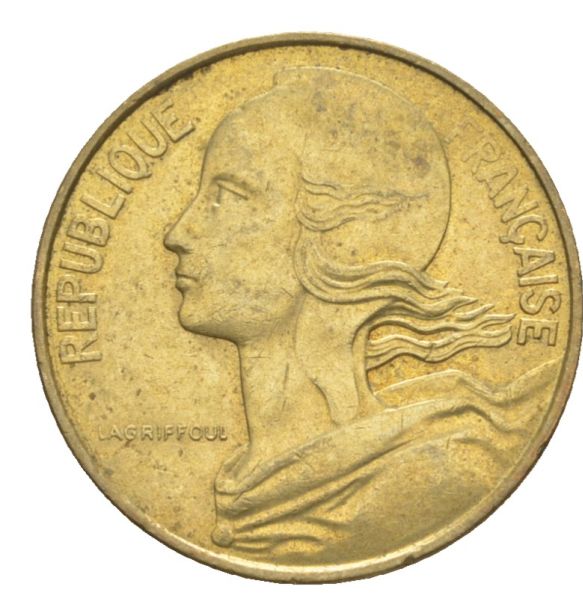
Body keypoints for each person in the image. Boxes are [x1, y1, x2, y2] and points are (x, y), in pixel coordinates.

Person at [164, 67, 555, 563]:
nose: (178, 233)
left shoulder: (422, 487)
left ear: (339, 241)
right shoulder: (249, 481)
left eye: (228, 197)